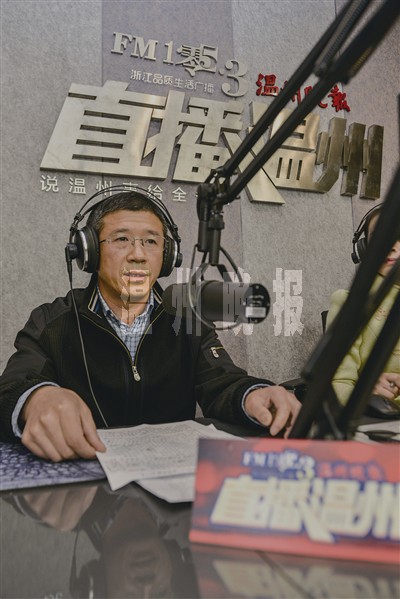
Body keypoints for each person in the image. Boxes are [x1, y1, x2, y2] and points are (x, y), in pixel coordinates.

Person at [0, 190, 301, 461]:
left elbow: (222, 382)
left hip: (168, 483)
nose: (139, 255)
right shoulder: (53, 319)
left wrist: (254, 394)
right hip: (83, 481)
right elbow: (12, 387)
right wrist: (36, 399)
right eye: (121, 240)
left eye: (151, 242)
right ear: (89, 251)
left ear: (168, 256)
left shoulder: (185, 316)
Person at [326, 204, 400, 405]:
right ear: (365, 249)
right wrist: (366, 394)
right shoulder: (351, 303)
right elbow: (338, 385)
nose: (391, 245)